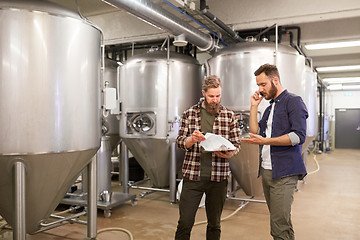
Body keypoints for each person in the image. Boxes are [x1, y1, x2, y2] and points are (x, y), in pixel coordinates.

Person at [241, 64, 308, 240]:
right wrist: (254, 106)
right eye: (258, 86)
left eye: (263, 84)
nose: (260, 89)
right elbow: (255, 132)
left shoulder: (293, 101)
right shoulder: (270, 108)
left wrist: (267, 141)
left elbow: (298, 136)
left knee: (278, 226)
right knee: (282, 222)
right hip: (267, 171)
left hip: (284, 173)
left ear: (275, 80)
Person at [175, 75, 241, 240]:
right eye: (211, 96)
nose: (215, 100)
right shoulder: (189, 114)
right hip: (192, 176)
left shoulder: (229, 115)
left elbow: (236, 145)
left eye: (218, 96)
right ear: (203, 93)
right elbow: (180, 142)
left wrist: (229, 152)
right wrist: (192, 139)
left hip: (218, 179)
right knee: (185, 222)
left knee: (214, 224)